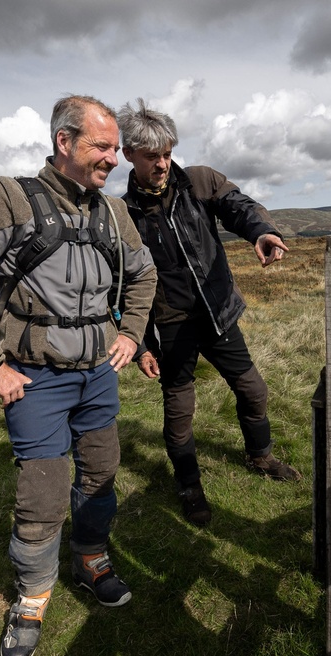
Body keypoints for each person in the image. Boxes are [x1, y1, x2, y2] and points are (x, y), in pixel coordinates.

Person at [0, 95, 157, 656]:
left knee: (101, 473)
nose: (115, 158)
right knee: (43, 495)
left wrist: (130, 332)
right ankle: (32, 595)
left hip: (98, 375)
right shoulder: (8, 197)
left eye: (116, 148)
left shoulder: (112, 211)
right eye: (103, 146)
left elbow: (145, 272)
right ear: (64, 142)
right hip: (36, 380)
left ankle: (91, 557)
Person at [116, 98, 300, 528]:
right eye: (151, 156)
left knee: (253, 391)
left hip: (218, 316)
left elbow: (239, 206)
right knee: (179, 414)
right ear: (128, 155)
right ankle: (189, 485)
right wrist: (142, 344)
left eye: (167, 153)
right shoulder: (123, 214)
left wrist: (262, 232)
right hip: (173, 328)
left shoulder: (199, 181)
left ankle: (261, 456)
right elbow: (124, 286)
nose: (162, 164)